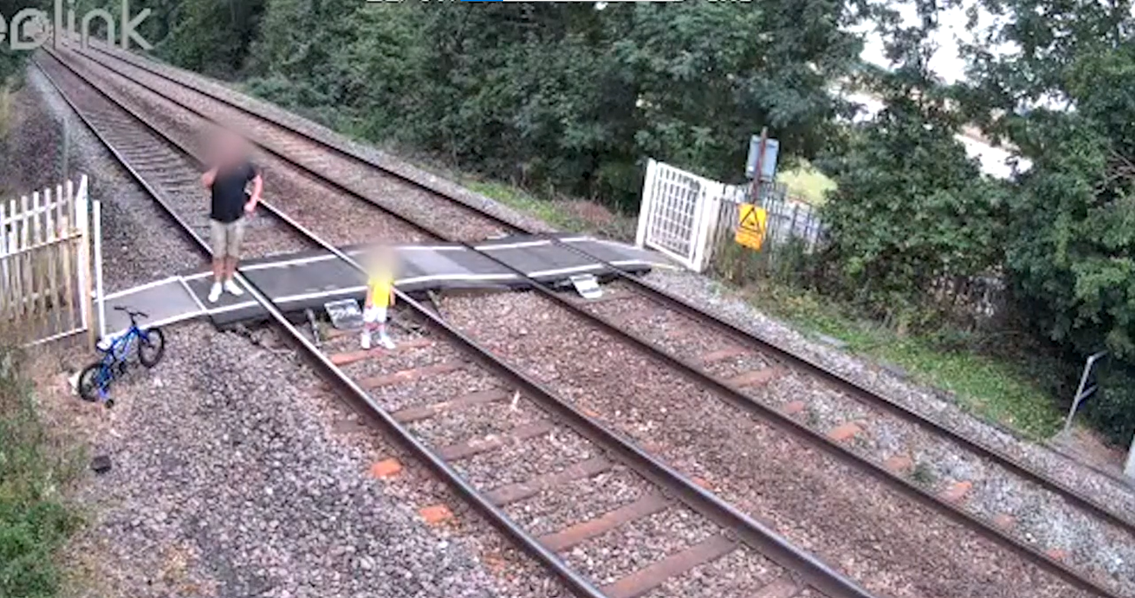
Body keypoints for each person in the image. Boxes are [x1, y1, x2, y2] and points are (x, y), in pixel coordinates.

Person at [201, 131, 263, 303]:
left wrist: (253, 202)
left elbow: (258, 180)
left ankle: (229, 280)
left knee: (233, 252)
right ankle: (217, 283)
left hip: (238, 217)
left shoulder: (245, 165)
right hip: (218, 218)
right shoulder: (215, 164)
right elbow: (205, 182)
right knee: (218, 253)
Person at [362, 245, 397, 350]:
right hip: (374, 301)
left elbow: (390, 286)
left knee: (381, 321)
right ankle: (366, 336)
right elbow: (370, 287)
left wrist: (392, 298)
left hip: (383, 302)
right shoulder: (375, 272)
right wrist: (369, 300)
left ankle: (382, 337)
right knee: (369, 320)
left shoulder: (388, 273)